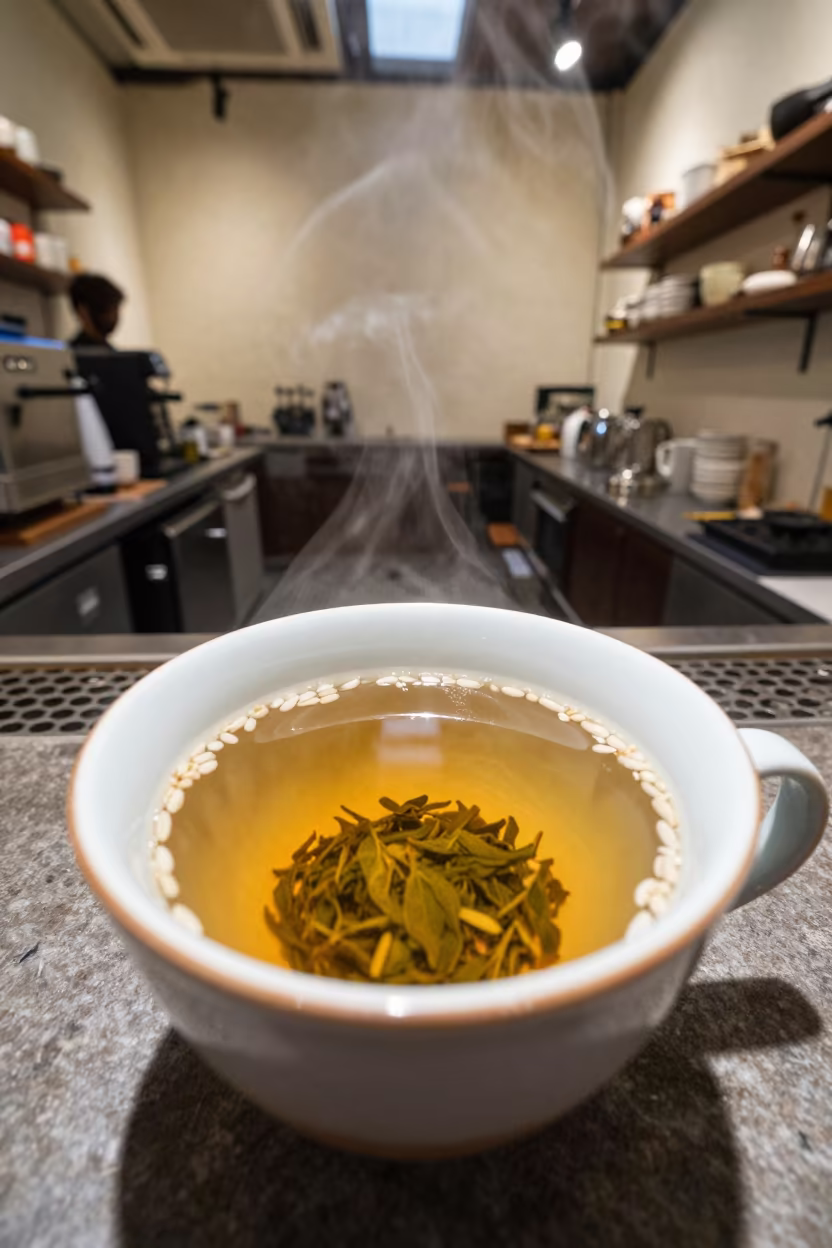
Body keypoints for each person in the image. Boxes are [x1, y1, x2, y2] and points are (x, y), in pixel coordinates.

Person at [68, 273, 124, 349]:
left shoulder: (114, 354)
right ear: (83, 311)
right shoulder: (70, 354)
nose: (113, 317)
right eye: (106, 309)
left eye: (115, 310)